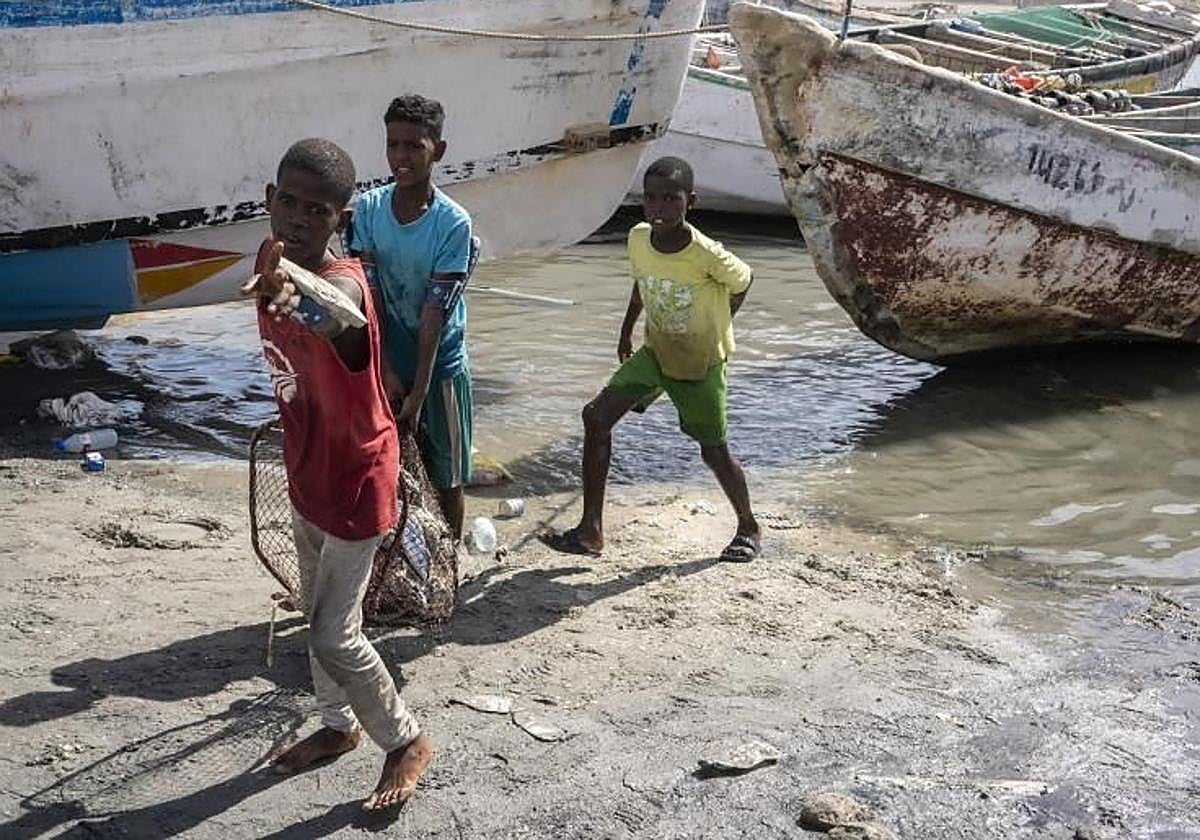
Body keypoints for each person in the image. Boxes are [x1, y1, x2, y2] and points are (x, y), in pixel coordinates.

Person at [242, 138, 434, 811]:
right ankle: (336, 725)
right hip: (306, 470)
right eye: (287, 202)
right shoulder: (270, 259)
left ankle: (404, 738)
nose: (297, 218)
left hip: (357, 481)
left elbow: (337, 313)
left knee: (333, 631)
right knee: (313, 610)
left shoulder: (343, 284)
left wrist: (293, 294)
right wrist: (277, 280)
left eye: (316, 210)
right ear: (269, 200)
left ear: (340, 217)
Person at [542, 156, 761, 562]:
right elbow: (642, 284)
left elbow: (744, 281)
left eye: (670, 199)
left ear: (689, 202)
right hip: (656, 352)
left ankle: (748, 526)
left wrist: (721, 323)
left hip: (700, 363)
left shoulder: (707, 254)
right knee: (596, 417)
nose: (659, 208)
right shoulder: (639, 238)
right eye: (651, 198)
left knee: (713, 450)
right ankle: (590, 530)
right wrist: (627, 329)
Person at [350, 94, 474, 541]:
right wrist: (383, 369)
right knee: (387, 469)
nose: (401, 157)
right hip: (386, 361)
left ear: (437, 150)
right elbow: (367, 295)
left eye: (413, 146)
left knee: (447, 475)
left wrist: (419, 392)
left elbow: (433, 315)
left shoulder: (453, 224)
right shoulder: (368, 209)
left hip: (438, 368)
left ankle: (450, 561)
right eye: (393, 145)